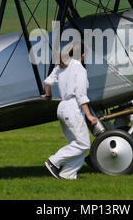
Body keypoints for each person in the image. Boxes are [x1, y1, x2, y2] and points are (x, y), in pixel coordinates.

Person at [42, 43, 98, 180]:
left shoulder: (61, 66)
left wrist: (48, 95)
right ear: (83, 55)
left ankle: (68, 174)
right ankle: (54, 161)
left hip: (62, 107)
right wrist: (89, 115)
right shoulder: (80, 69)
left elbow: (47, 83)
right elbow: (80, 95)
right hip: (73, 108)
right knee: (83, 144)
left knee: (77, 143)